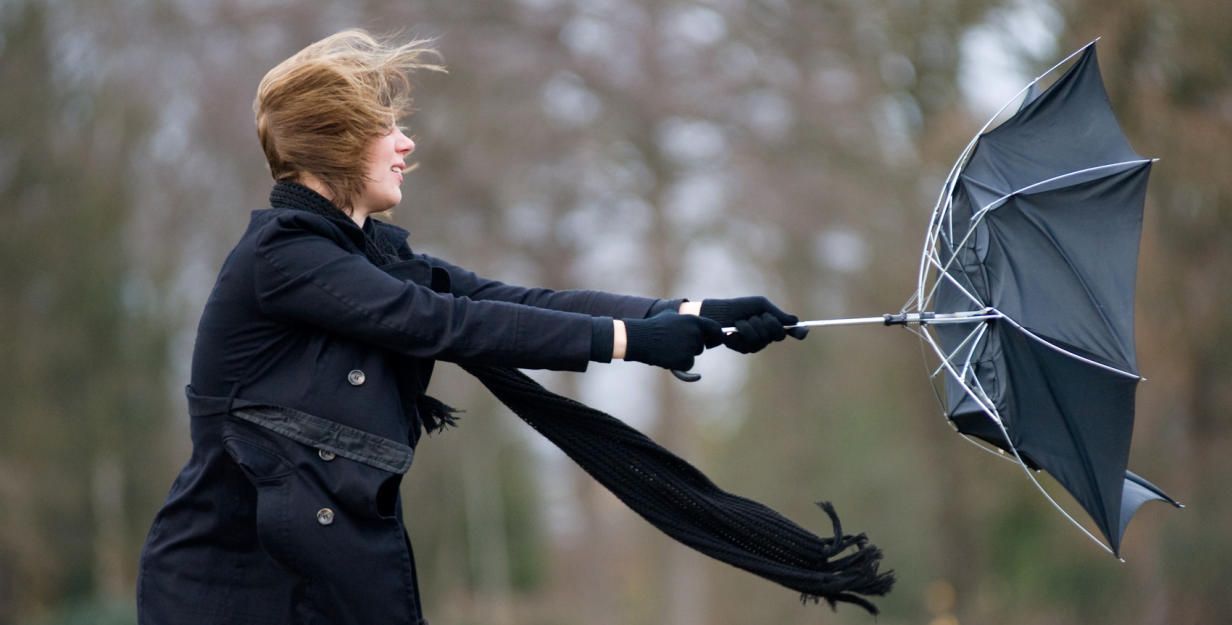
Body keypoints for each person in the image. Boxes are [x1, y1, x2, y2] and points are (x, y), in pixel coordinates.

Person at [136, 29, 806, 625]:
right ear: (336, 142)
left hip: (324, 582)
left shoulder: (367, 255)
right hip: (232, 593)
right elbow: (440, 322)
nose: (406, 142)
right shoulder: (282, 256)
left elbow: (507, 298)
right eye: (384, 126)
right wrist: (628, 342)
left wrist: (683, 314)